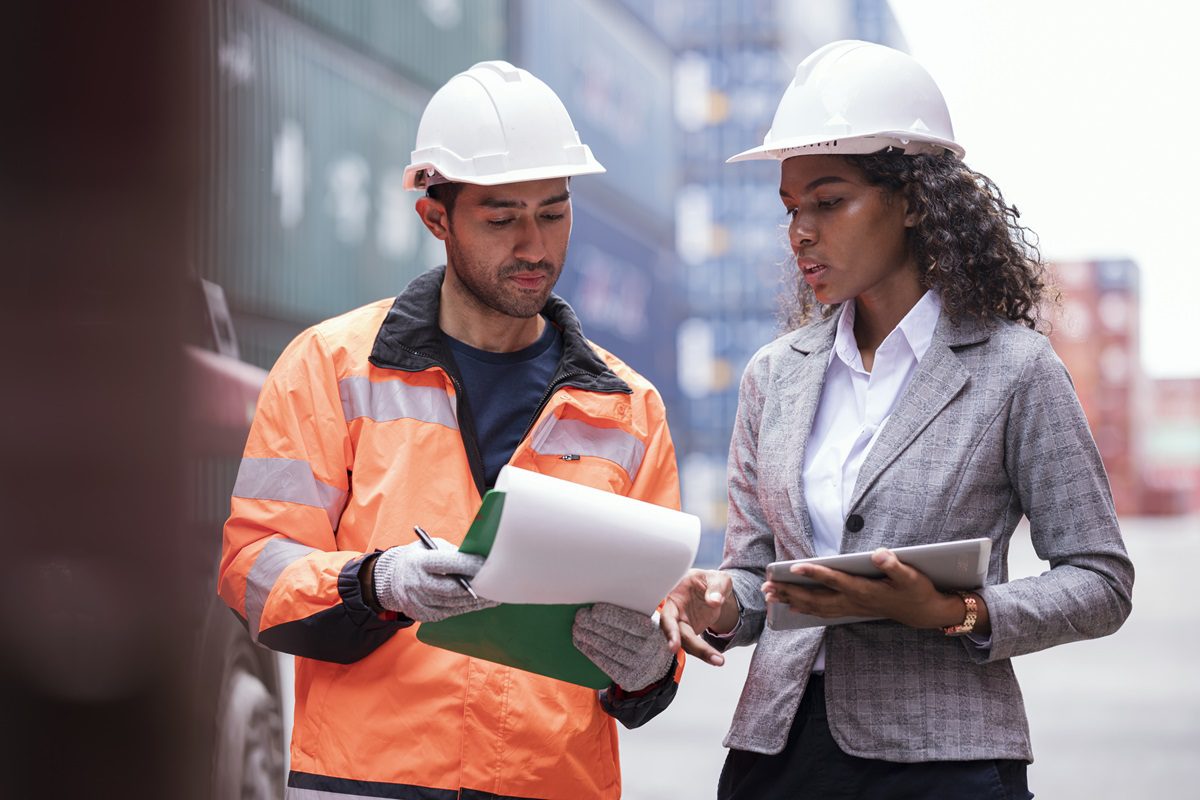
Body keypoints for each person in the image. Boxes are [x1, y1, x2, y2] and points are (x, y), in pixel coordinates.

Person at [661, 40, 1134, 799]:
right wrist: (719, 600)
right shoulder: (774, 375)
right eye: (791, 209)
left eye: (829, 201)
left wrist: (961, 610)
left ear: (913, 199)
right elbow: (757, 580)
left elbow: (1101, 580)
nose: (800, 233)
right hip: (777, 759)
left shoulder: (1015, 370)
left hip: (945, 762)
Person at [219, 60, 682, 800]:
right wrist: (377, 581)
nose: (535, 245)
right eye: (503, 218)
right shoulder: (333, 367)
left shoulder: (629, 408)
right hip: (365, 785)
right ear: (436, 218)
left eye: (554, 212)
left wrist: (653, 665)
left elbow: (657, 626)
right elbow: (253, 569)